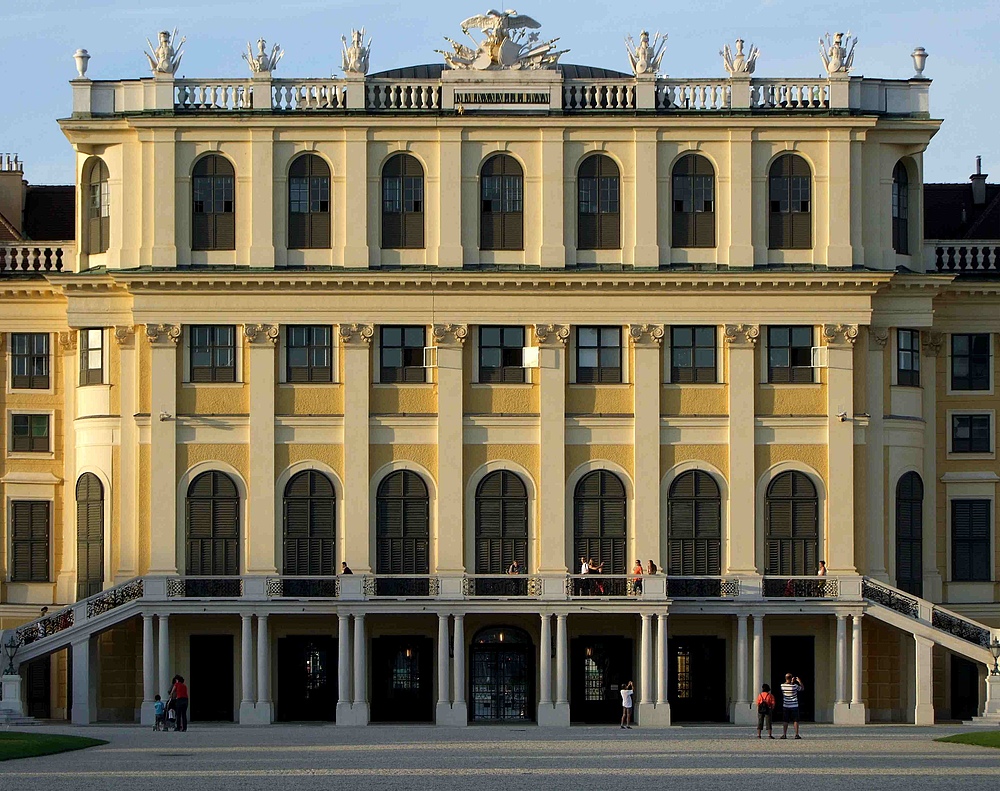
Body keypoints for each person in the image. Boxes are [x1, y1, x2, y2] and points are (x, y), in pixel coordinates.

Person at [780, 673, 804, 739]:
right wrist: (799, 681)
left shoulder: (782, 686)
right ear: (791, 678)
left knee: (785, 720)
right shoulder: (795, 686)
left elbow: (787, 684)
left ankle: (784, 734)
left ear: (785, 678)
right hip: (794, 705)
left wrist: (791, 682)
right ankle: (796, 734)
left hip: (786, 705)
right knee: (795, 720)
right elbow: (802, 688)